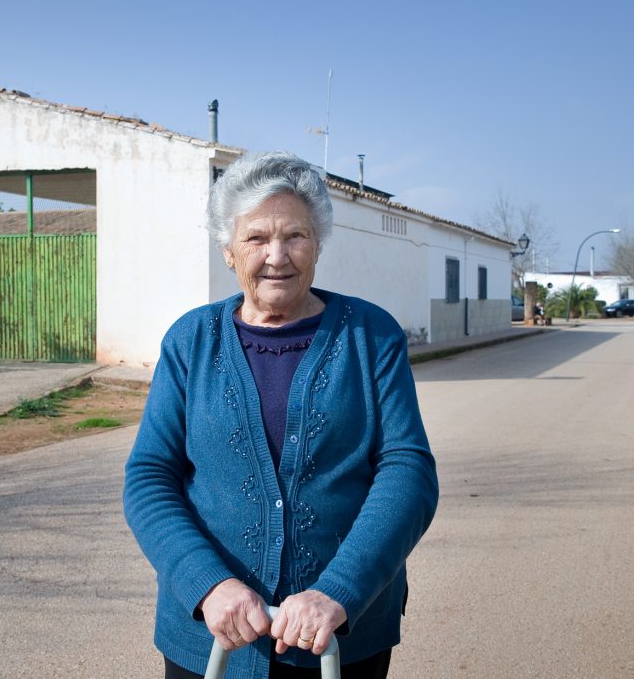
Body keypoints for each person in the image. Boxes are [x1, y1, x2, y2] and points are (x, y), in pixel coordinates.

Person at [123, 151, 439, 678]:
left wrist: (337, 592)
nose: (278, 255)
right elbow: (150, 477)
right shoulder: (190, 340)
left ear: (317, 245)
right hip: (212, 636)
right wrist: (208, 584)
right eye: (256, 239)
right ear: (228, 251)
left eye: (295, 236)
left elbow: (408, 472)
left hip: (335, 638)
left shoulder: (372, 335)